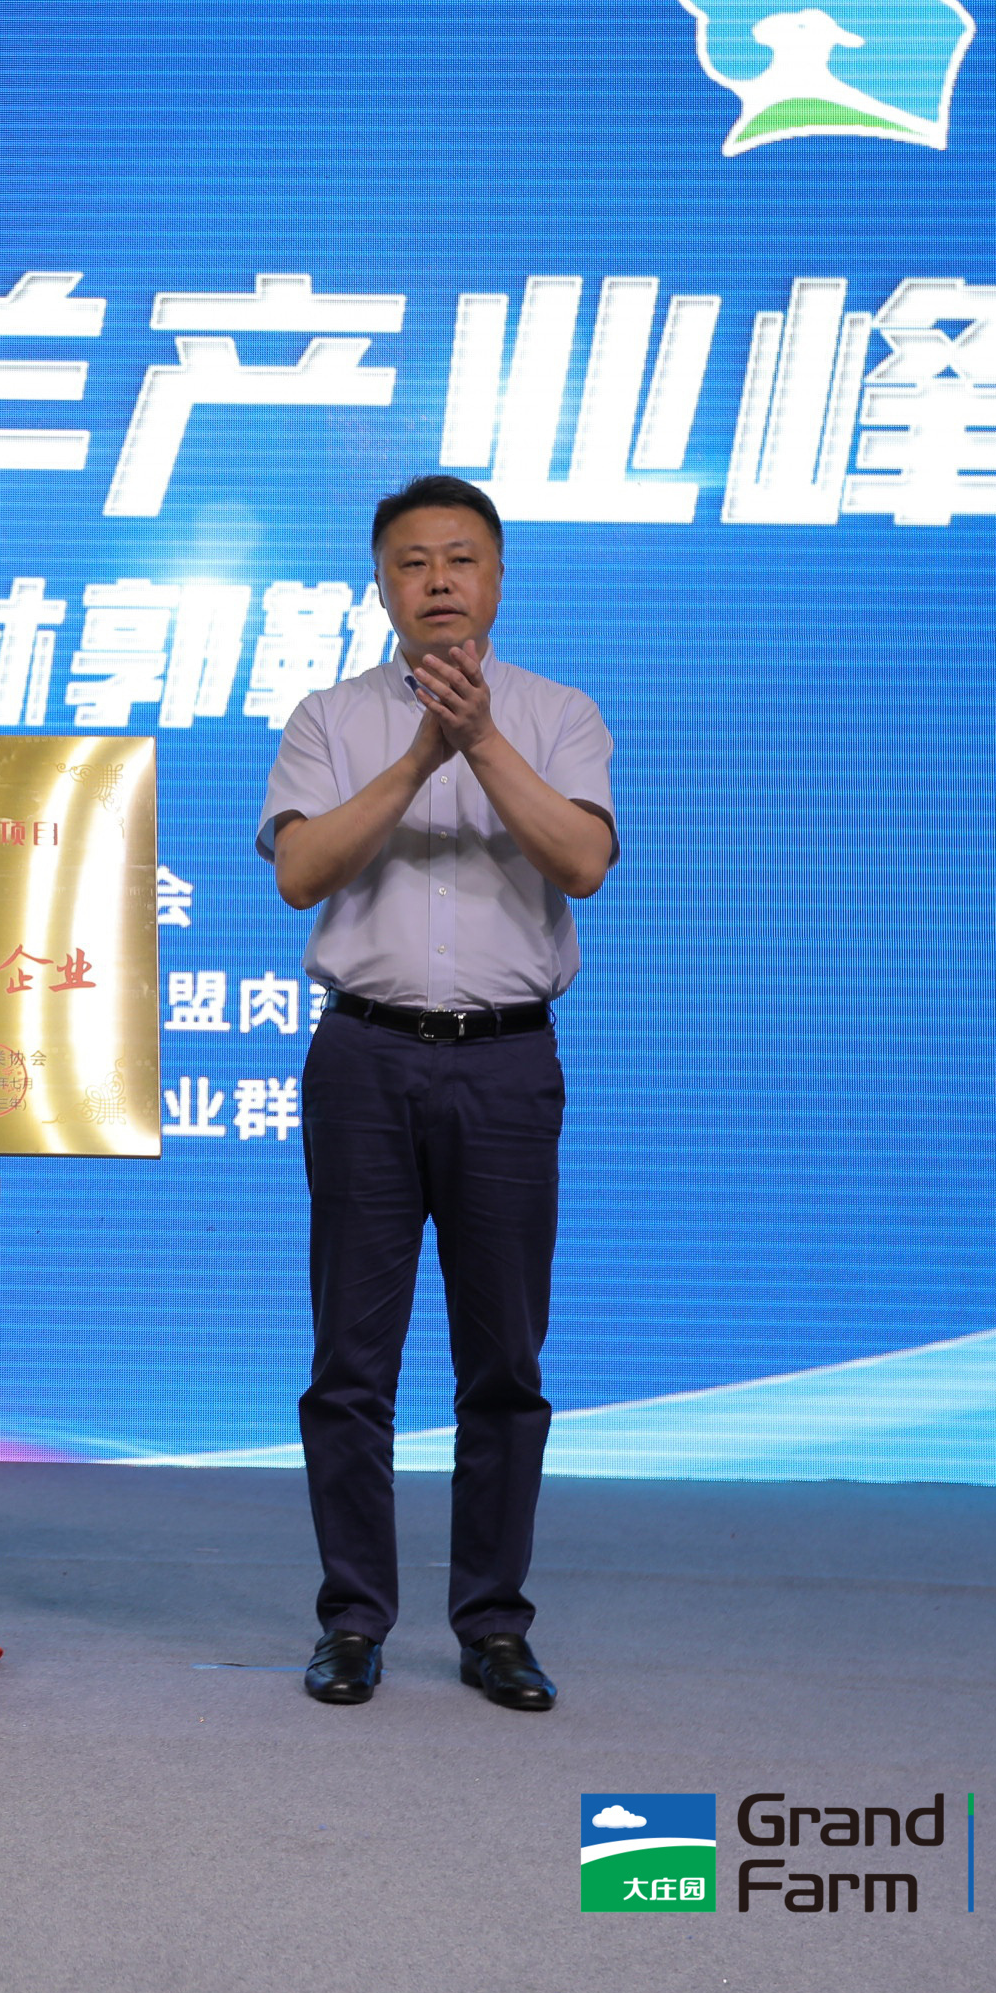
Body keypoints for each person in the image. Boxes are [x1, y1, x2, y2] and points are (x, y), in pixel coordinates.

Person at [255, 472, 616, 1713]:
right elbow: (301, 871)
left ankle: (493, 1625)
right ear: (382, 585)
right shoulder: (329, 717)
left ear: (499, 577)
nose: (440, 580)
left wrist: (482, 739)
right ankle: (353, 1618)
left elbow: (583, 858)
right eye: (413, 562)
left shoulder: (559, 713)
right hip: (365, 1058)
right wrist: (422, 751)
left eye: (462, 558)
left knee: (503, 1359)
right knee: (350, 1362)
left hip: (507, 1063)